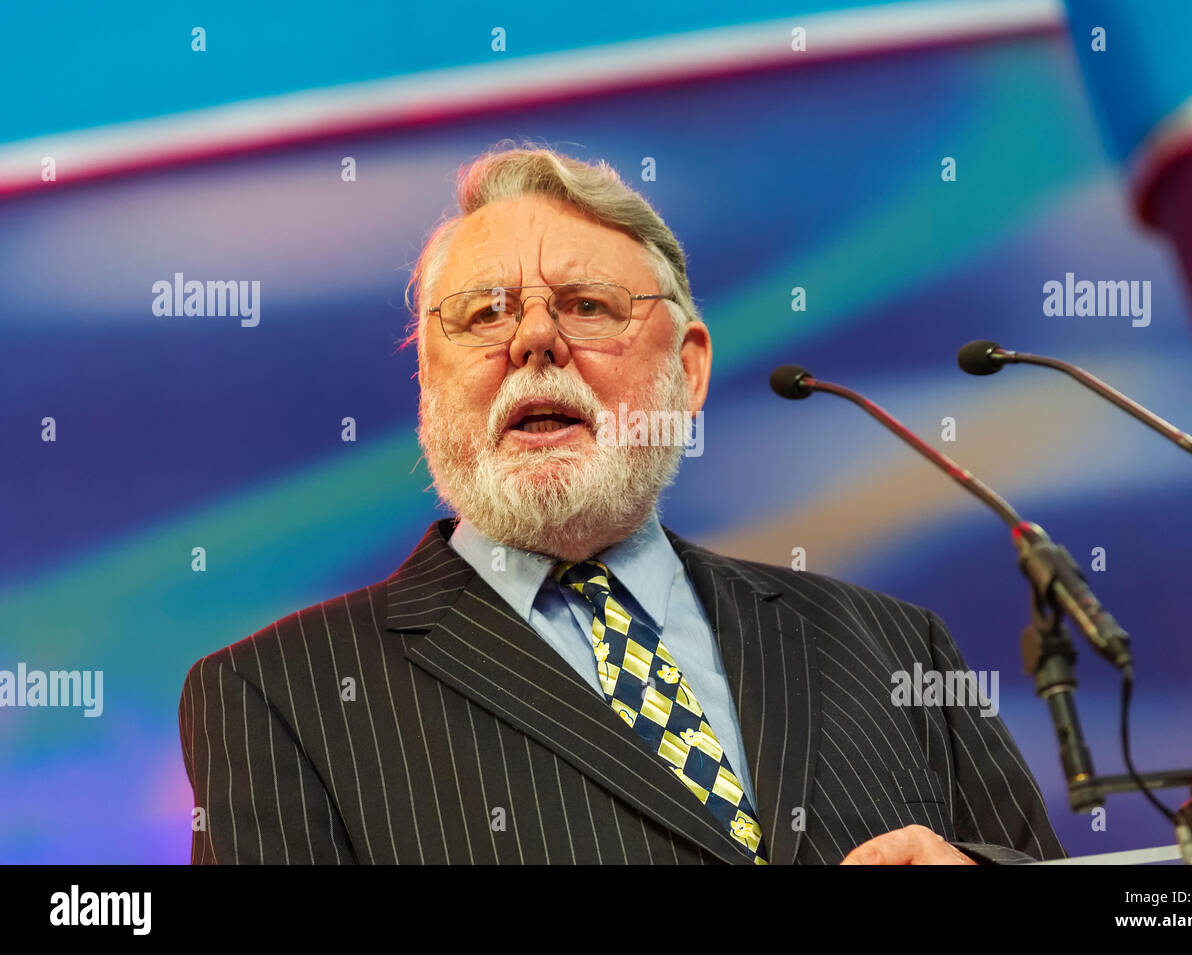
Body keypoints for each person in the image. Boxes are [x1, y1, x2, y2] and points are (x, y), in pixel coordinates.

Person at [179, 144, 1066, 865]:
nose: (534, 340)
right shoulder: (279, 696)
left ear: (687, 369)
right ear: (427, 385)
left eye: (587, 305)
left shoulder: (891, 645)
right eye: (484, 315)